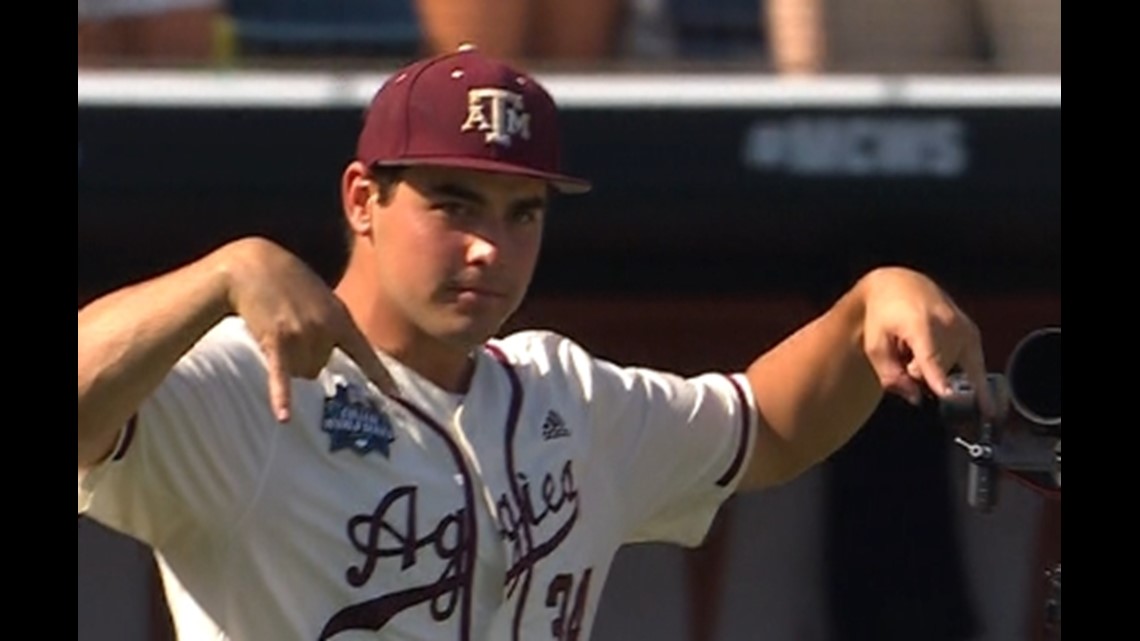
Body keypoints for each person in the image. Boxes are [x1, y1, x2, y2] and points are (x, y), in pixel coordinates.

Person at [77, 44, 994, 641]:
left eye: (524, 212)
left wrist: (869, 301)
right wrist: (218, 274)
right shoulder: (248, 383)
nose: (491, 245)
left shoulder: (563, 392)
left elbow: (770, 428)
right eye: (453, 202)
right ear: (363, 199)